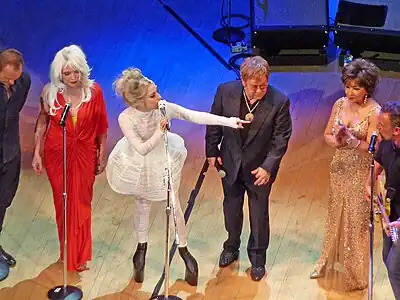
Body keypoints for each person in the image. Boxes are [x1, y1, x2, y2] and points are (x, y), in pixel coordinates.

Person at [106, 67, 249, 286]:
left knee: (174, 204)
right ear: (138, 101)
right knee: (142, 203)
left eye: (157, 91)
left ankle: (183, 249)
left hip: (164, 159)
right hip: (141, 162)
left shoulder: (163, 108)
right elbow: (141, 148)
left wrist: (229, 121)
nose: (160, 97)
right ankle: (141, 247)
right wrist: (159, 132)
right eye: (153, 95)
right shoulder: (126, 118)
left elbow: (192, 115)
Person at [205, 55, 292, 281]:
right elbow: (214, 121)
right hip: (231, 163)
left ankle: (257, 259)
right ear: (244, 81)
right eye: (255, 86)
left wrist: (268, 167)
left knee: (258, 215)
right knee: (231, 211)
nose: (261, 90)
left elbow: (281, 138)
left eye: (264, 85)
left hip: (259, 170)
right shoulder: (225, 92)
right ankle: (231, 246)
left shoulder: (279, 101)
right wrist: (212, 151)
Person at [32, 45, 108, 272]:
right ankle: (67, 252)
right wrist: (37, 152)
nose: (73, 78)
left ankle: (81, 254)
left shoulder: (94, 92)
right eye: (67, 73)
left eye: (76, 72)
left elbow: (102, 126)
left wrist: (101, 152)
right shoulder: (49, 92)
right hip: (57, 153)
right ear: (59, 74)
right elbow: (43, 122)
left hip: (85, 152)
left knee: (82, 203)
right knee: (63, 203)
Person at [310, 58, 381, 291]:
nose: (350, 92)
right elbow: (327, 135)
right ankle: (326, 260)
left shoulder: (375, 113)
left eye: (356, 87)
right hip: (340, 169)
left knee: (356, 223)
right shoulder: (339, 104)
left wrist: (351, 141)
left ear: (367, 88)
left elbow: (374, 150)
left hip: (362, 174)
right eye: (348, 86)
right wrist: (338, 141)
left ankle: (356, 275)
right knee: (335, 216)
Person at [0, 49, 31, 280]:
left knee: (2, 203)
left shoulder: (24, 81)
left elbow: (13, 112)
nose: (11, 83)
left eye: (14, 78)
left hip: (10, 154)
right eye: (6, 79)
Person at [365, 101, 400, 299]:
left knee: (395, 267)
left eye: (381, 125)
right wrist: (368, 185)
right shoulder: (387, 144)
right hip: (391, 214)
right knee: (388, 258)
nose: (377, 128)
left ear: (396, 130)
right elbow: (376, 167)